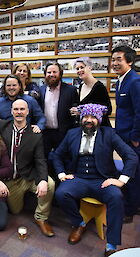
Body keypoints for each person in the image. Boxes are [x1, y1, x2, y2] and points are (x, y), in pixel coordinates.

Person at [53, 104, 138, 257]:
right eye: (85, 116)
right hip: (78, 178)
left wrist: (121, 180)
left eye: (93, 117)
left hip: (103, 180)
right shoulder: (72, 133)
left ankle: (111, 244)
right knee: (61, 193)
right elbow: (57, 155)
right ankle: (79, 223)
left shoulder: (109, 134)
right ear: (81, 118)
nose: (89, 120)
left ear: (99, 119)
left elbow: (131, 156)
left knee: (116, 197)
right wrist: (61, 174)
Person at [0, 99, 55, 237]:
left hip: (27, 177)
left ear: (28, 112)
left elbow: (40, 159)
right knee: (15, 211)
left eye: (22, 109)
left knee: (50, 184)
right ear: (11, 111)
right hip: (9, 180)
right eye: (16, 109)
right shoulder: (1, 126)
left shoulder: (35, 134)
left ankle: (40, 217)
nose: (19, 112)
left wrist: (42, 179)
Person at [111, 45, 140, 223]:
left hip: (132, 139)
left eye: (118, 60)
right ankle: (134, 203)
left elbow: (139, 112)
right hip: (122, 136)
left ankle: (129, 210)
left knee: (132, 173)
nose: (114, 63)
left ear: (129, 61)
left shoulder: (134, 81)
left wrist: (136, 138)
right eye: (113, 60)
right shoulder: (121, 79)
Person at [39, 62, 79, 160]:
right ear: (45, 75)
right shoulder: (41, 90)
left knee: (63, 159)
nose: (51, 74)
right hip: (45, 133)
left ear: (60, 74)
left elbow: (76, 109)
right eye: (49, 72)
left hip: (63, 133)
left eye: (54, 72)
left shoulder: (71, 90)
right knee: (45, 159)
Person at [71, 57, 112, 127]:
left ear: (90, 67)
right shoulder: (81, 86)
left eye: (82, 67)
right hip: (86, 128)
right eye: (77, 69)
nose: (79, 70)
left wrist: (82, 111)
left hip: (99, 128)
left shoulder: (99, 87)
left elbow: (108, 110)